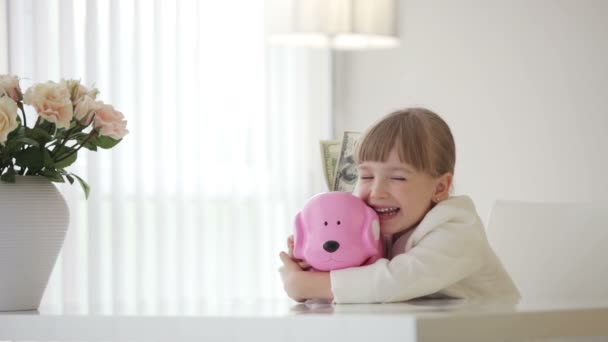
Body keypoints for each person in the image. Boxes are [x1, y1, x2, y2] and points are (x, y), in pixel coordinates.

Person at [278, 107, 520, 304]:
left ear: (440, 188)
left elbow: (394, 281)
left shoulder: (458, 228)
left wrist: (303, 284)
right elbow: (347, 282)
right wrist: (309, 265)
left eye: (397, 178)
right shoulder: (373, 230)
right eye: (366, 176)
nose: (376, 192)